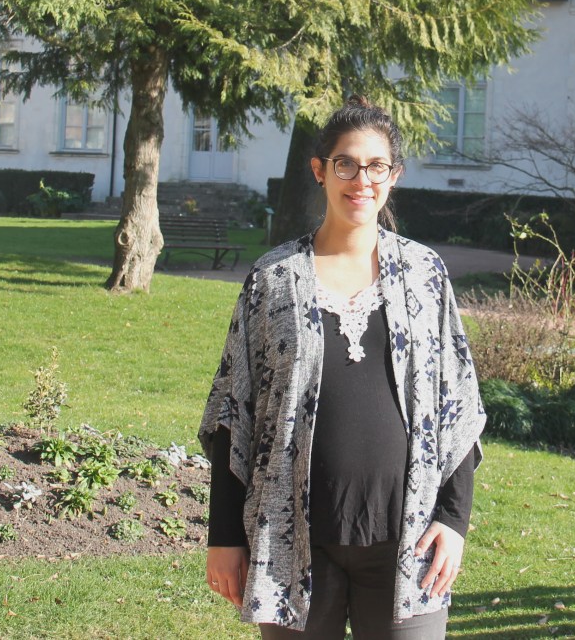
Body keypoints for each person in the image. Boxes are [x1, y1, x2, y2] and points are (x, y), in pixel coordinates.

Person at [198, 96, 486, 638]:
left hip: (411, 543)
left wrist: (453, 521)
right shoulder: (274, 279)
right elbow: (232, 413)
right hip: (293, 541)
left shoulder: (425, 275)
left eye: (377, 166)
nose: (361, 180)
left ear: (394, 175)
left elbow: (460, 408)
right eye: (346, 164)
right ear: (320, 170)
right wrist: (224, 536)